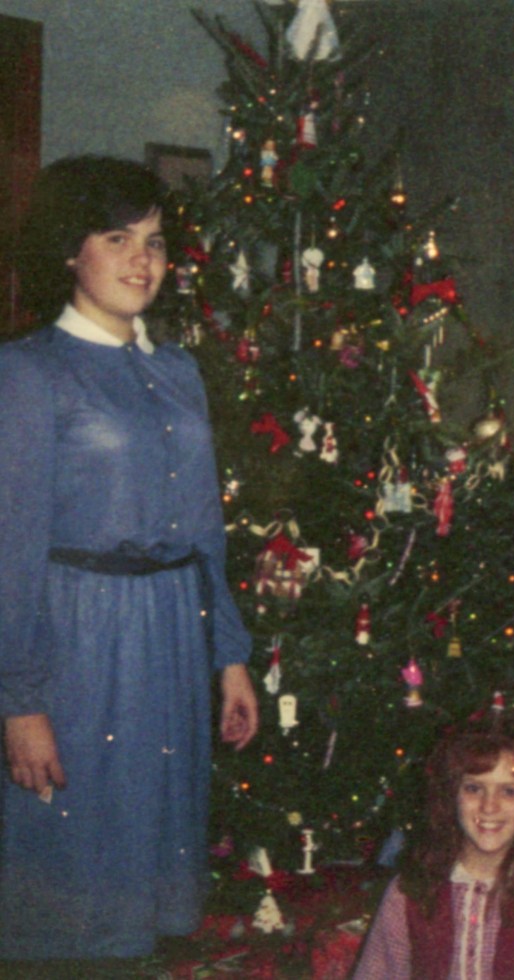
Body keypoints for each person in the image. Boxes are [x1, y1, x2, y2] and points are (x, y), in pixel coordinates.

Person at [0, 156, 259, 970]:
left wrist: (232, 656)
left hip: (172, 633)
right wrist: (19, 703)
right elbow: (9, 547)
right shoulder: (29, 372)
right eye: (117, 238)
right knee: (69, 867)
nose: (142, 259)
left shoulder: (177, 371)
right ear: (71, 253)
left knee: (147, 867)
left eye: (153, 240)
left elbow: (206, 526)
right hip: (76, 640)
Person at [353, 724, 514, 979]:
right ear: (452, 796)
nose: (489, 806)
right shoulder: (409, 892)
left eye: (510, 791)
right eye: (474, 788)